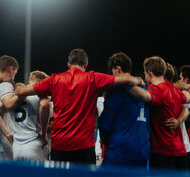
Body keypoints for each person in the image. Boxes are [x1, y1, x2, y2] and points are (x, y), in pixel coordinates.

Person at [15, 48, 143, 164]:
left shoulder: (54, 80)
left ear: (68, 64)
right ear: (86, 65)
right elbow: (126, 80)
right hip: (84, 147)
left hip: (60, 146)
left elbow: (20, 92)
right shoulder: (92, 78)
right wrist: (138, 80)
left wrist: (40, 94)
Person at [126, 56, 190, 170]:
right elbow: (188, 99)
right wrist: (179, 120)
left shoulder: (157, 89)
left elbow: (144, 96)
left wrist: (124, 83)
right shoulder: (174, 89)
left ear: (149, 73)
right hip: (180, 152)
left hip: (163, 152)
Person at [97, 52, 150, 168]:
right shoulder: (145, 89)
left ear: (117, 69)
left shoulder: (117, 91)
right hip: (142, 151)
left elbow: (104, 124)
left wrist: (107, 141)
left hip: (121, 151)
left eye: (112, 72)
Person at [0, 70, 50, 161]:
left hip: (17, 147)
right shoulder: (40, 96)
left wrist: (7, 133)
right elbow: (44, 105)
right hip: (34, 146)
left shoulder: (14, 98)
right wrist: (44, 133)